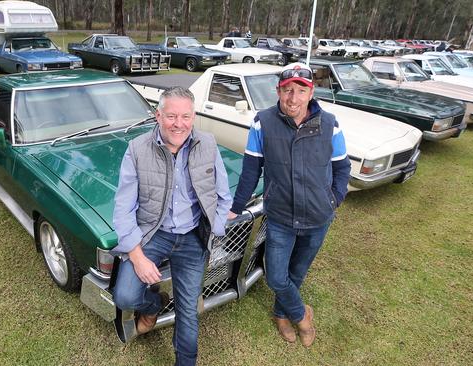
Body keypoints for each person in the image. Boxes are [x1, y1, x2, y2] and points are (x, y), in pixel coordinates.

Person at [227, 63, 351, 347]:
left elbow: (343, 168)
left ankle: (282, 314)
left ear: (311, 93)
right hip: (281, 217)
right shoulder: (263, 122)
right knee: (276, 276)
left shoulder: (330, 124)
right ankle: (302, 315)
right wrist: (236, 206)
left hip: (319, 218)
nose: (292, 98)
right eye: (287, 90)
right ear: (278, 92)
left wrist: (334, 200)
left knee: (297, 272)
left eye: (300, 90)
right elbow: (250, 171)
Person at [112, 87, 232, 366]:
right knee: (126, 295)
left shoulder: (208, 144)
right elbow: (123, 208)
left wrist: (214, 229)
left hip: (193, 237)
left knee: (188, 309)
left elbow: (223, 195)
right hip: (154, 234)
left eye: (186, 116)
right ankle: (153, 305)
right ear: (158, 115)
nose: (179, 124)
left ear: (193, 116)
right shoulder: (137, 149)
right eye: (171, 116)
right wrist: (137, 256)